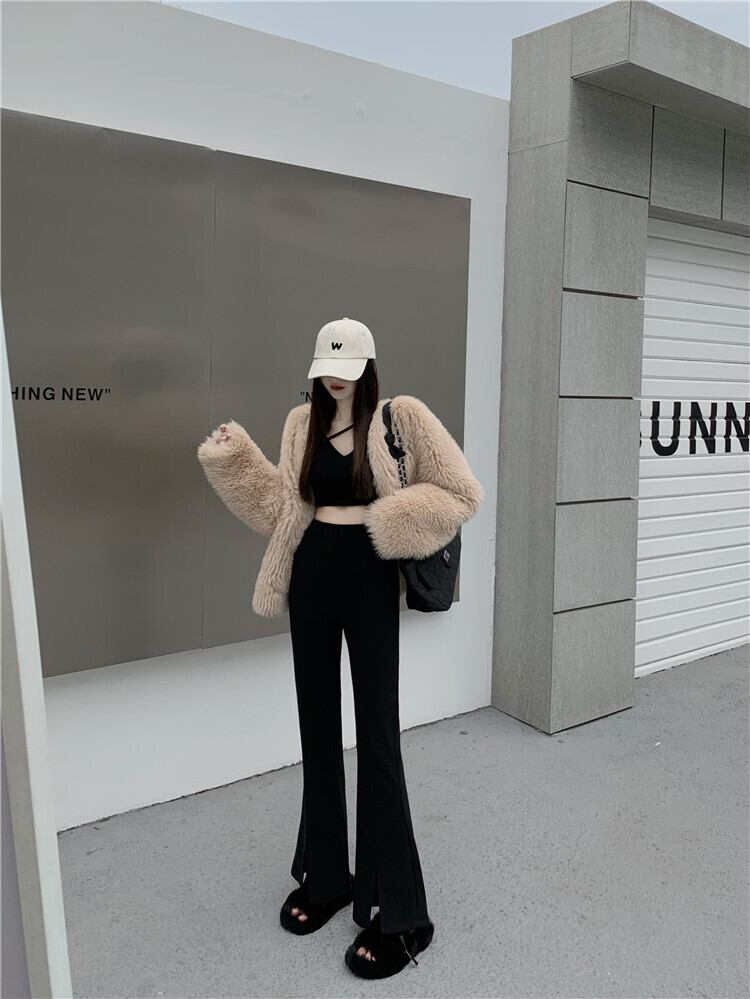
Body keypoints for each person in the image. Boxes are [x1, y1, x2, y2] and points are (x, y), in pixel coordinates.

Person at [197, 318, 485, 979]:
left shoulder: (399, 418)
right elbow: (281, 507)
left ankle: (403, 914)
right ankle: (327, 877)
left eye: (347, 367)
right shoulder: (300, 424)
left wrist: (390, 521)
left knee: (378, 735)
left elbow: (461, 493)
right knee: (317, 727)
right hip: (312, 573)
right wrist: (234, 459)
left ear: (368, 367)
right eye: (327, 367)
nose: (335, 378)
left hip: (370, 571)